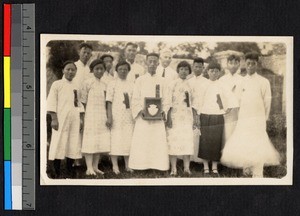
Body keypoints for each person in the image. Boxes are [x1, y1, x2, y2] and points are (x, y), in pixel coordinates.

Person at [221, 52, 280, 178]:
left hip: (258, 117)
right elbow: (236, 100)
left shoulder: (264, 82)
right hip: (244, 117)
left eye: (253, 64)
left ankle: (257, 172)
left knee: (258, 141)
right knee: (245, 140)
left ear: (257, 65)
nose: (250, 66)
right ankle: (246, 169)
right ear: (245, 64)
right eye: (248, 64)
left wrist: (265, 117)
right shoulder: (242, 81)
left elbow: (267, 101)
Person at [128, 53, 170, 171]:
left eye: (154, 61)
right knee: (143, 139)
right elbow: (135, 98)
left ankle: (158, 165)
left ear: (158, 63)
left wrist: (164, 111)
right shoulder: (140, 80)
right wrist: (139, 110)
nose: (152, 64)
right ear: (146, 63)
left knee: (157, 139)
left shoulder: (163, 81)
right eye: (150, 61)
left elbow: (167, 98)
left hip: (158, 117)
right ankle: (140, 165)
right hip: (143, 117)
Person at [197, 62, 238, 177]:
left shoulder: (222, 85)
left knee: (216, 141)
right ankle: (205, 167)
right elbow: (198, 100)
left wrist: (229, 107)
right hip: (205, 115)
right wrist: (198, 114)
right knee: (204, 141)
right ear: (207, 72)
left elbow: (230, 97)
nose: (214, 73)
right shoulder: (204, 85)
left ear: (219, 72)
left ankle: (214, 167)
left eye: (216, 71)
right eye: (211, 71)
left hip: (218, 115)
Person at [47, 61, 84, 178]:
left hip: (74, 117)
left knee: (73, 142)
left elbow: (79, 103)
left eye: (73, 70)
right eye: (68, 69)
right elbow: (52, 102)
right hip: (61, 118)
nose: (70, 72)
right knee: (59, 141)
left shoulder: (77, 86)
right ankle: (55, 169)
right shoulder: (57, 84)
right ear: (63, 70)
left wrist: (81, 118)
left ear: (76, 72)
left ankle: (69, 168)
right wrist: (54, 119)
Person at [166, 61, 198, 176]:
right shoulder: (172, 84)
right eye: (181, 69)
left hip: (187, 118)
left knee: (187, 142)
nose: (184, 71)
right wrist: (168, 117)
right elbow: (167, 102)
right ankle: (173, 168)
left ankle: (186, 168)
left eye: (186, 69)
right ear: (178, 71)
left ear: (189, 71)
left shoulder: (191, 85)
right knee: (173, 142)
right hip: (175, 117)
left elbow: (194, 103)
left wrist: (195, 118)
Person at [80, 59, 111, 176]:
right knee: (90, 140)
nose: (99, 71)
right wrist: (83, 117)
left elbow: (107, 102)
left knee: (99, 141)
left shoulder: (105, 84)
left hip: (101, 115)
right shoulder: (87, 82)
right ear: (92, 70)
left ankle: (95, 166)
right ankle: (89, 168)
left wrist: (108, 116)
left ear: (104, 70)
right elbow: (82, 101)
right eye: (96, 69)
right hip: (90, 115)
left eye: (101, 69)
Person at [106, 61, 135, 174]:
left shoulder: (132, 84)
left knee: (128, 139)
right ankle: (115, 166)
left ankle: (128, 165)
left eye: (125, 69)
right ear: (116, 71)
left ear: (128, 71)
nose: (123, 71)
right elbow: (108, 101)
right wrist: (109, 117)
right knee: (116, 139)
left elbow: (134, 101)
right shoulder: (112, 84)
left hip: (128, 116)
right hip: (116, 115)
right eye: (121, 69)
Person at [218, 55, 244, 148]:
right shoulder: (222, 80)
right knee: (226, 131)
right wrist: (223, 109)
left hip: (238, 110)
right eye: (231, 63)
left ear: (239, 64)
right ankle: (224, 154)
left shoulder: (242, 80)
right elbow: (219, 96)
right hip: (226, 111)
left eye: (236, 63)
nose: (233, 66)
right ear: (227, 64)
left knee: (237, 131)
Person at [188, 57, 209, 163]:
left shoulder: (207, 82)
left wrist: (199, 113)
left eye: (200, 67)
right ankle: (189, 158)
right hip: (190, 111)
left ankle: (199, 159)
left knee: (200, 134)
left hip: (202, 110)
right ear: (192, 67)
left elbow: (206, 98)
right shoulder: (188, 81)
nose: (197, 69)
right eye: (195, 66)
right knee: (190, 133)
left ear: (203, 68)